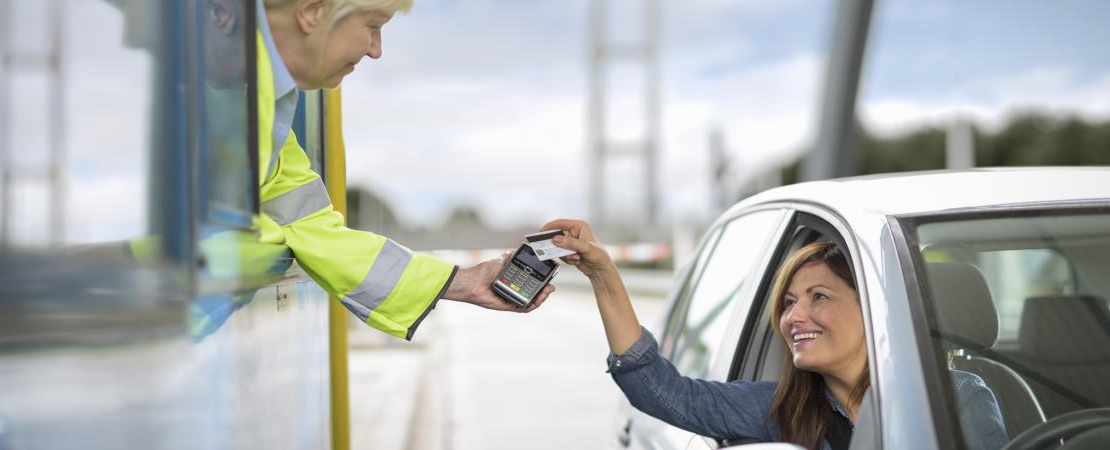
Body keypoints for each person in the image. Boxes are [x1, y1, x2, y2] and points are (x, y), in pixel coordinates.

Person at [542, 219, 1008, 450]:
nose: (794, 317)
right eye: (787, 303)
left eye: (818, 297)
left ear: (874, 309)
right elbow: (661, 390)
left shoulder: (958, 400)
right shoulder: (781, 409)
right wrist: (602, 274)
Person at [247, 0, 552, 339]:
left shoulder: (266, 104)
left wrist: (464, 281)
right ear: (312, 11)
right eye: (373, 26)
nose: (376, 50)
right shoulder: (223, 88)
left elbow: (308, 228)